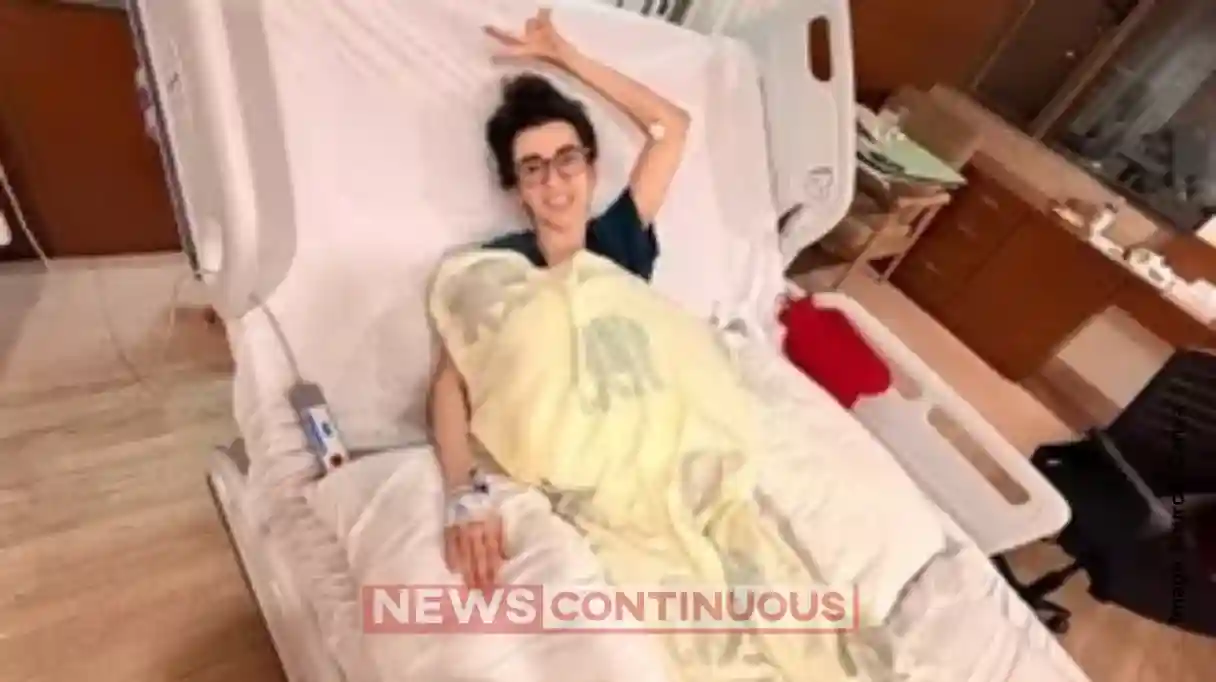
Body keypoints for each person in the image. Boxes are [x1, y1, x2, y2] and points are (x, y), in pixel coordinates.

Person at [428, 8, 690, 592]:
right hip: (555, 464)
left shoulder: (619, 239)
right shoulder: (496, 267)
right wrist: (462, 492)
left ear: (591, 168)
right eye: (533, 168)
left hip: (646, 446)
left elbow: (671, 126)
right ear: (516, 189)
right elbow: (450, 383)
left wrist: (563, 57)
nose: (554, 181)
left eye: (568, 159)